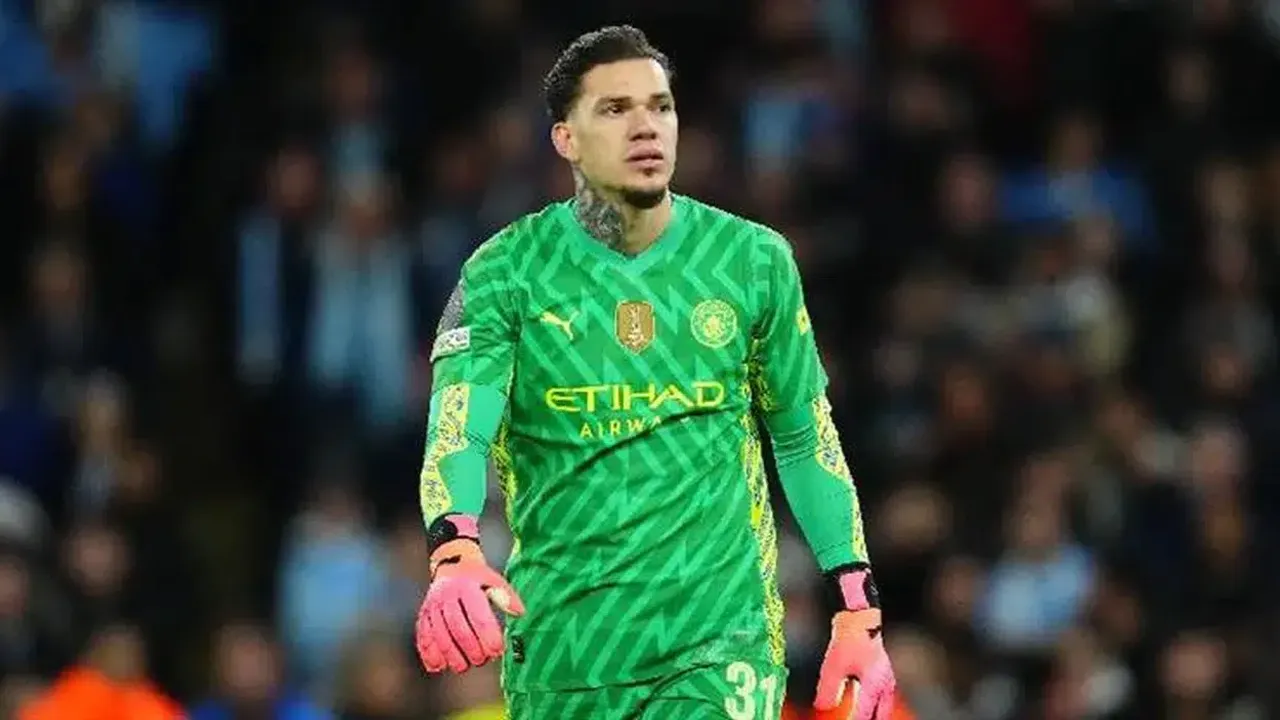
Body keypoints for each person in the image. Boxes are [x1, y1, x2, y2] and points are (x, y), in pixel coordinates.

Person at [413, 25, 897, 720]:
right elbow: (459, 428)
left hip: (719, 643)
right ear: (565, 139)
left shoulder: (752, 261)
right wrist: (454, 547)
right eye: (615, 109)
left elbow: (802, 438)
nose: (646, 126)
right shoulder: (504, 272)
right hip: (565, 651)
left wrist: (857, 608)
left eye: (660, 106)